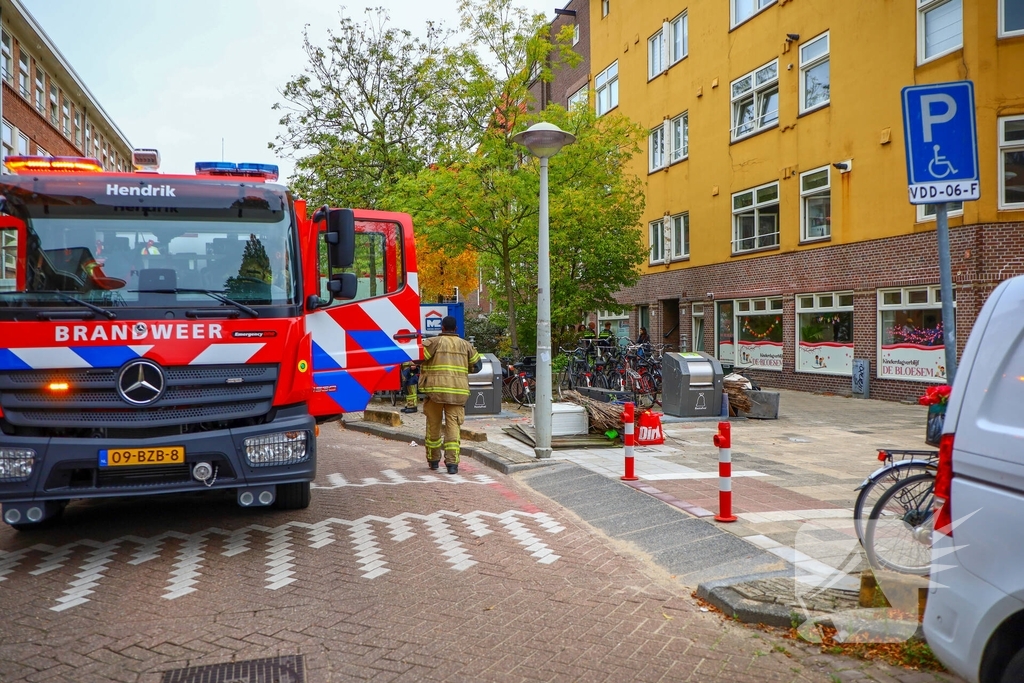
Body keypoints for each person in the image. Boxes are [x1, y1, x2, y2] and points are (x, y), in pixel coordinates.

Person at [417, 316, 481, 474]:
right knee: (453, 427)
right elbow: (478, 366)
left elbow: (418, 359)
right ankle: (452, 465)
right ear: (456, 329)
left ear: (442, 328)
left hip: (435, 392)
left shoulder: (433, 342)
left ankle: (433, 461)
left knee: (434, 426)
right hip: (458, 393)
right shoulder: (466, 345)